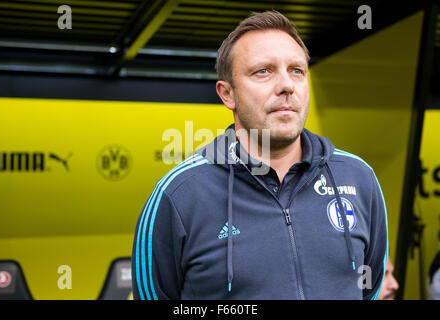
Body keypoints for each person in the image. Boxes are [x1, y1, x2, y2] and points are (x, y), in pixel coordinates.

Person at [132, 10, 388, 300]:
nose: (286, 86)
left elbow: (371, 287)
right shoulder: (178, 194)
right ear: (228, 94)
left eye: (297, 71)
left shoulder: (359, 177)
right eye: (263, 71)